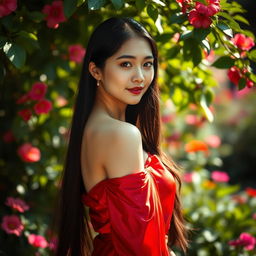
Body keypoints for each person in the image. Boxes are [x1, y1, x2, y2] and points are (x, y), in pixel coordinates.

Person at [53, 17, 188, 256]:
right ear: (96, 70)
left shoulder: (95, 128)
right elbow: (141, 245)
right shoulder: (120, 134)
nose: (140, 76)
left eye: (147, 64)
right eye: (126, 64)